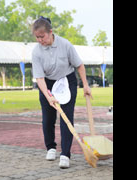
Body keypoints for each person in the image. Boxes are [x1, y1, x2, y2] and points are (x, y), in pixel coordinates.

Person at [31, 16, 92, 168]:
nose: (40, 40)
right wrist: (49, 96)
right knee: (48, 118)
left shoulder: (65, 44)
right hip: (48, 83)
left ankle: (65, 154)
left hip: (67, 81)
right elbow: (39, 78)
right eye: (37, 37)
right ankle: (51, 147)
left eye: (42, 36)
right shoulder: (36, 52)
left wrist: (85, 85)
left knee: (66, 117)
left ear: (50, 32)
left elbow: (79, 65)